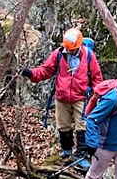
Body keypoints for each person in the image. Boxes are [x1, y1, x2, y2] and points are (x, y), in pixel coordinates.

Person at [22, 28, 103, 170]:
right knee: (63, 126)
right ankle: (67, 152)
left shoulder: (89, 56)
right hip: (62, 97)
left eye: (72, 49)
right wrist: (31, 73)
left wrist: (98, 96)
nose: (69, 51)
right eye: (67, 48)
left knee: (82, 126)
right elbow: (46, 70)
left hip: (81, 97)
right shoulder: (59, 54)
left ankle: (81, 156)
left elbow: (97, 77)